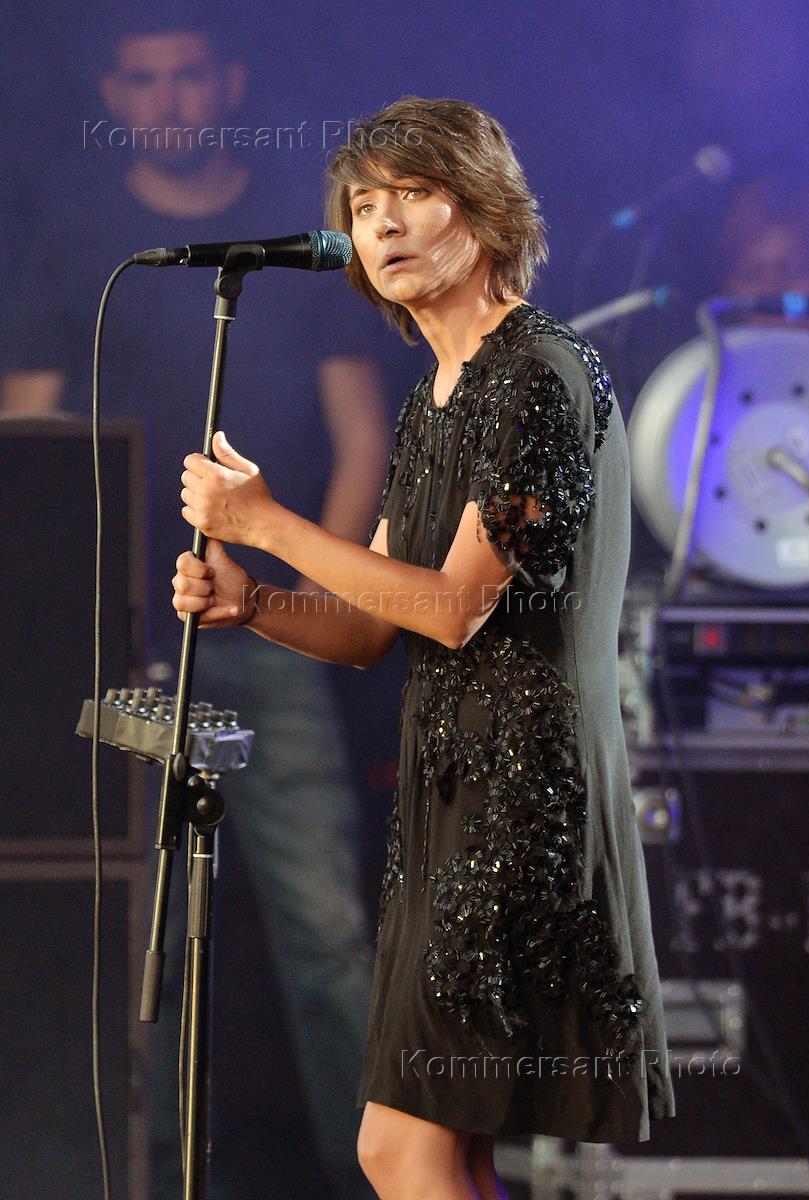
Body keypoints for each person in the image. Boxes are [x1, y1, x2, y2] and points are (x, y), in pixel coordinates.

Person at [172, 96, 676, 1199]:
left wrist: (268, 523)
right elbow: (367, 627)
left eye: (413, 194)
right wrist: (255, 602)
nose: (383, 224)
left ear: (485, 212)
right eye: (363, 206)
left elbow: (452, 609)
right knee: (435, 1152)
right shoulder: (433, 401)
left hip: (523, 807)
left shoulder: (539, 373)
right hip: (449, 805)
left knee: (400, 1149)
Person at [1, 11, 389, 1199]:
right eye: (143, 78)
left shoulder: (296, 235)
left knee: (323, 925)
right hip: (124, 636)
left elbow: (360, 437)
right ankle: (157, 1177)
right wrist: (61, 601)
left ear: (226, 84)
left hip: (266, 624)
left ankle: (374, 1177)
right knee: (147, 923)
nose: (167, 99)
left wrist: (307, 602)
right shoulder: (84, 237)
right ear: (113, 94)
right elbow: (29, 431)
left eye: (187, 76)